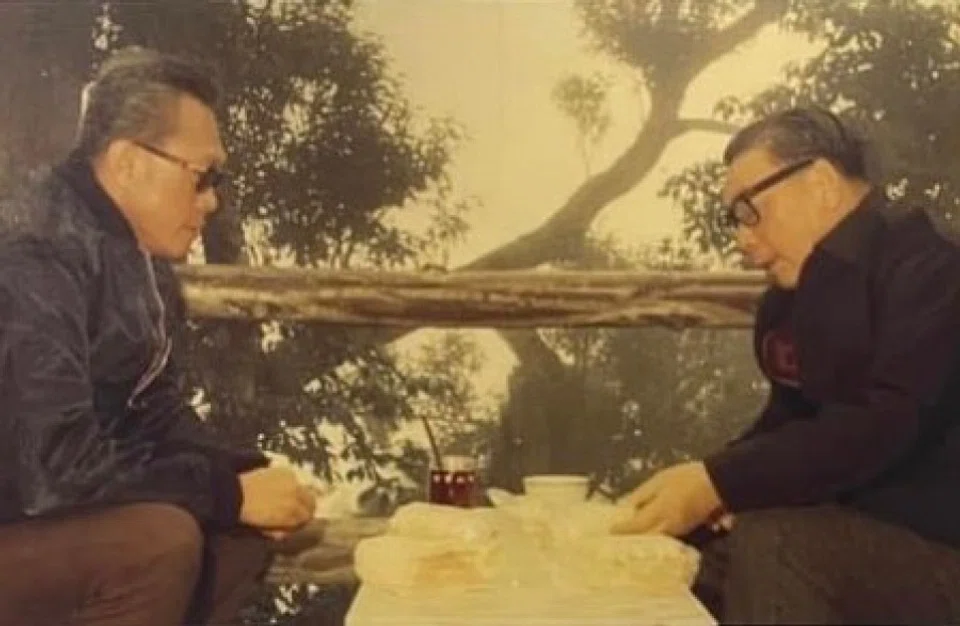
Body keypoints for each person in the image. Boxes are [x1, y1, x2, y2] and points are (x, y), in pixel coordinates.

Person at [0, 47, 317, 625]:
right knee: (160, 542)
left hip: (30, 526)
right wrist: (226, 494)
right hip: (22, 508)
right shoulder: (34, 252)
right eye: (203, 176)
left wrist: (244, 472)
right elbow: (52, 464)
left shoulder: (138, 259)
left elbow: (155, 414)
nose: (212, 200)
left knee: (239, 536)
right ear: (128, 162)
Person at [611, 106, 960, 623]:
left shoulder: (933, 269)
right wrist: (706, 489)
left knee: (773, 543)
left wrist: (720, 482)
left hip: (942, 546)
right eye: (734, 220)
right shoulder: (789, 296)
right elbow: (788, 423)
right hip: (862, 539)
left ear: (820, 183)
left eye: (749, 210)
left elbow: (888, 424)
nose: (742, 240)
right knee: (686, 560)